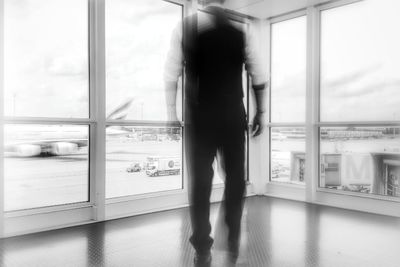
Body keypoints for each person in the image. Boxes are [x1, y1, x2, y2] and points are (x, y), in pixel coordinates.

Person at [164, 0, 267, 265]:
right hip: (232, 114)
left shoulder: (184, 27)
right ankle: (231, 243)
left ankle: (202, 248)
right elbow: (258, 75)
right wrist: (260, 112)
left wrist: (170, 114)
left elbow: (171, 73)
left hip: (199, 117)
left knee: (200, 183)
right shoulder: (241, 30)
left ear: (200, 1)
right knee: (235, 180)